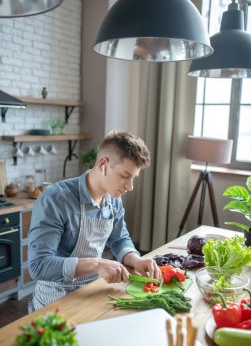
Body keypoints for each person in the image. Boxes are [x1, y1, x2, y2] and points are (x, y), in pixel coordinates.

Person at [28, 130, 161, 311]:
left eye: (133, 178)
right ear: (103, 164)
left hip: (93, 292)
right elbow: (38, 265)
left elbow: (119, 238)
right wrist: (96, 264)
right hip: (55, 299)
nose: (130, 187)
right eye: (124, 176)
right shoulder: (56, 199)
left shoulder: (113, 199)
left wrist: (135, 260)